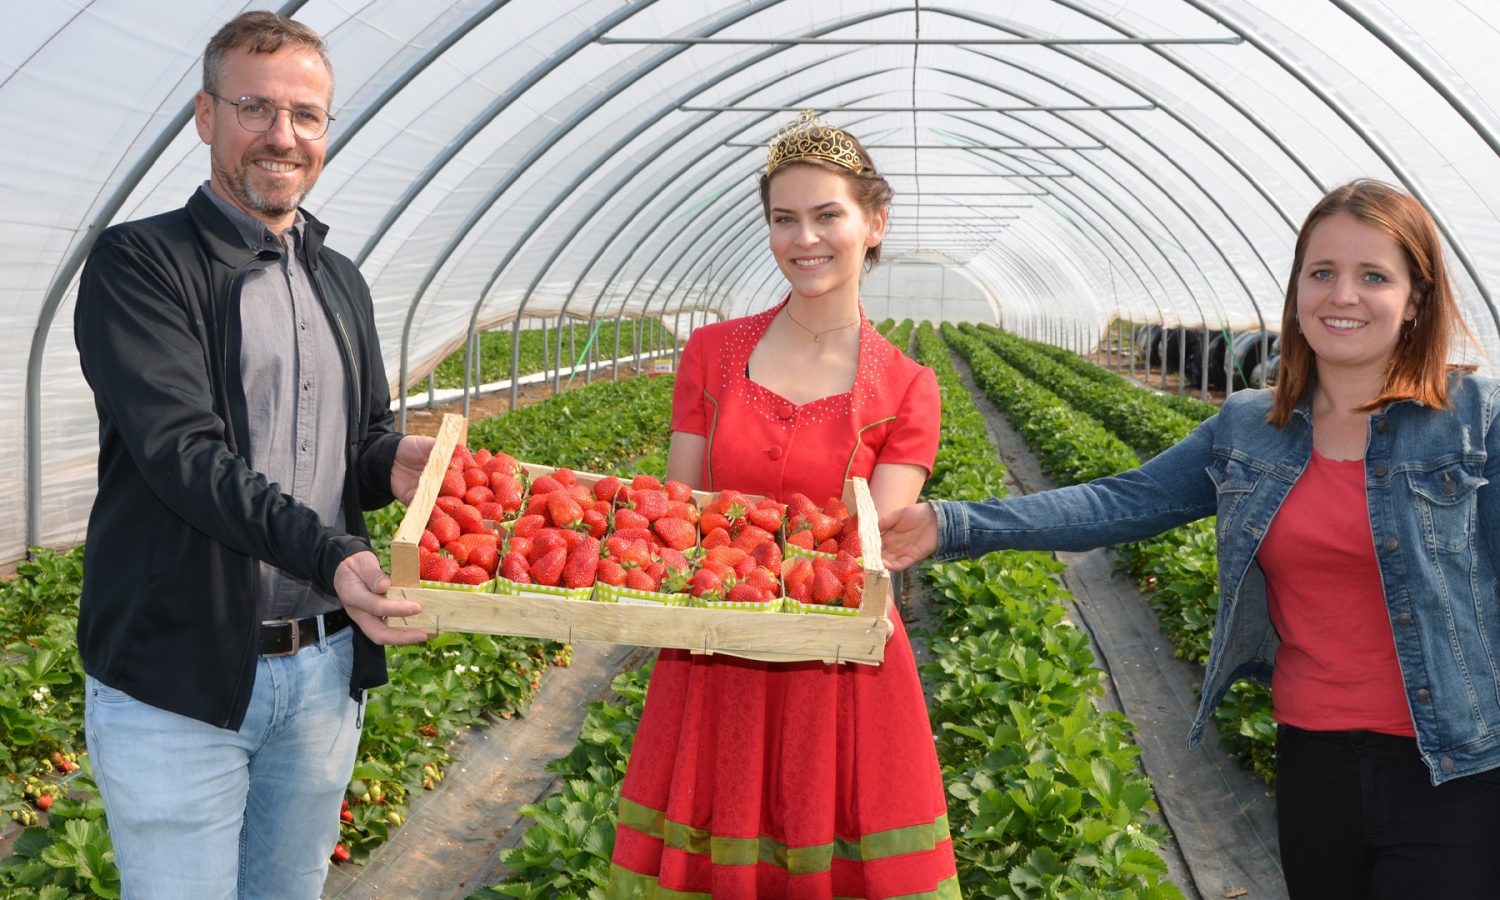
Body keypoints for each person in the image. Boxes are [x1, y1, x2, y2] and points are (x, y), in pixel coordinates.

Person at [879, 179, 1500, 898]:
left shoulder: (1474, 424)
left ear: (1416, 299)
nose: (1343, 296)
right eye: (1322, 272)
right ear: (1297, 288)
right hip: (1311, 758)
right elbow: (1125, 500)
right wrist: (951, 524)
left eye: (1374, 277)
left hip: (1455, 767)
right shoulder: (1249, 427)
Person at [72, 11, 430, 898]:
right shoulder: (140, 264)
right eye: (255, 108)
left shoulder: (338, 279)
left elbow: (356, 443)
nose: (284, 136)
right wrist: (335, 552)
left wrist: (392, 464)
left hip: (320, 672)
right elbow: (183, 454)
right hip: (178, 681)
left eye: (307, 116)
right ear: (205, 116)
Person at [607, 111, 957, 897]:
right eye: (784, 219)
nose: (806, 238)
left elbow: (868, 554)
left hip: (833, 667)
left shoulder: (906, 386)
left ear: (874, 223)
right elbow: (681, 509)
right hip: (713, 653)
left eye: (828, 215)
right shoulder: (713, 354)